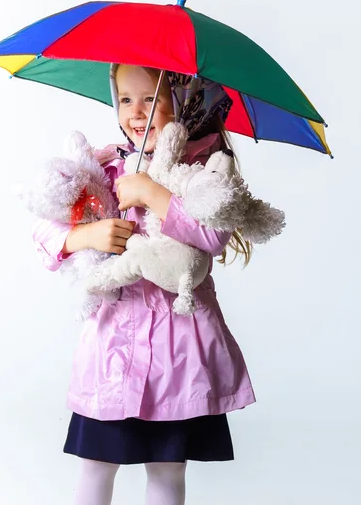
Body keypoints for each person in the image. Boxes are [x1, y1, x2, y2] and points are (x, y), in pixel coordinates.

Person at [32, 64, 256, 505]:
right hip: (112, 346)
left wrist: (155, 193)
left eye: (151, 98)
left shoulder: (206, 171)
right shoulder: (103, 166)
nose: (137, 111)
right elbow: (42, 228)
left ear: (184, 100)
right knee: (96, 464)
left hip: (179, 349)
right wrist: (83, 236)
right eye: (126, 100)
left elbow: (212, 236)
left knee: (167, 468)